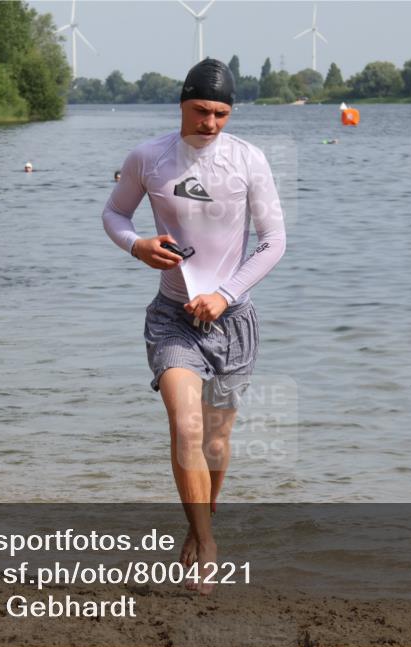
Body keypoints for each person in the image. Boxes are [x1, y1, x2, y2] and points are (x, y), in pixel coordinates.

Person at [102, 58, 286, 595]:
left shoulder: (249, 161)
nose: (210, 123)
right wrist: (136, 244)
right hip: (172, 318)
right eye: (202, 111)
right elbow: (114, 214)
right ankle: (206, 544)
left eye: (221, 113)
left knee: (216, 442)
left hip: (234, 323)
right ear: (182, 104)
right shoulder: (148, 157)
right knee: (185, 426)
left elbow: (274, 242)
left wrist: (225, 293)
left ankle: (199, 524)